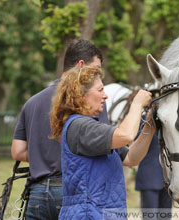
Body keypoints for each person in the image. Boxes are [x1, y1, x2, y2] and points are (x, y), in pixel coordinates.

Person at [11, 39, 107, 220]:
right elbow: (104, 146)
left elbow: (17, 152)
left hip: (37, 193)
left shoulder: (32, 102)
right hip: (72, 191)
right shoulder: (90, 100)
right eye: (95, 69)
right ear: (81, 65)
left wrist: (43, 156)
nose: (98, 75)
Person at [49, 66, 154, 219]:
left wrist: (150, 125)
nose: (105, 96)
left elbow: (132, 158)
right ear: (80, 94)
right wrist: (137, 104)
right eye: (100, 90)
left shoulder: (92, 127)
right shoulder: (81, 127)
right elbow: (126, 135)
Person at [135, 120, 173, 220]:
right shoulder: (143, 120)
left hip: (168, 179)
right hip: (149, 177)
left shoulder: (170, 120)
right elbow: (136, 141)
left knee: (165, 217)